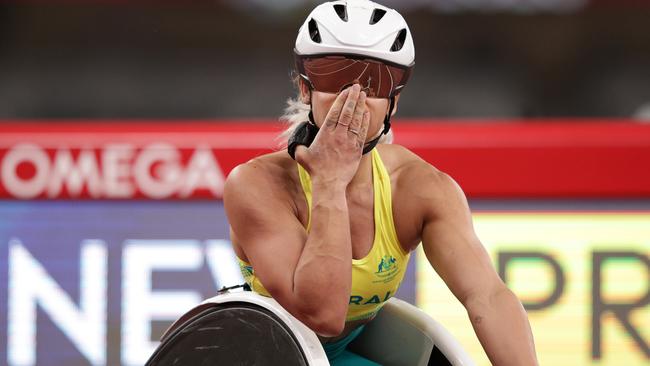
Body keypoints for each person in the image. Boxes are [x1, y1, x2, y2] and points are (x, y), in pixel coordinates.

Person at [224, 1, 538, 365]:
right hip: (256, 353)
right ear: (305, 89)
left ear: (394, 101)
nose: (352, 98)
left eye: (374, 82)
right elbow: (323, 316)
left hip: (341, 356)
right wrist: (329, 183)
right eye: (333, 78)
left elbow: (487, 296)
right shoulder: (256, 184)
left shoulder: (419, 188)